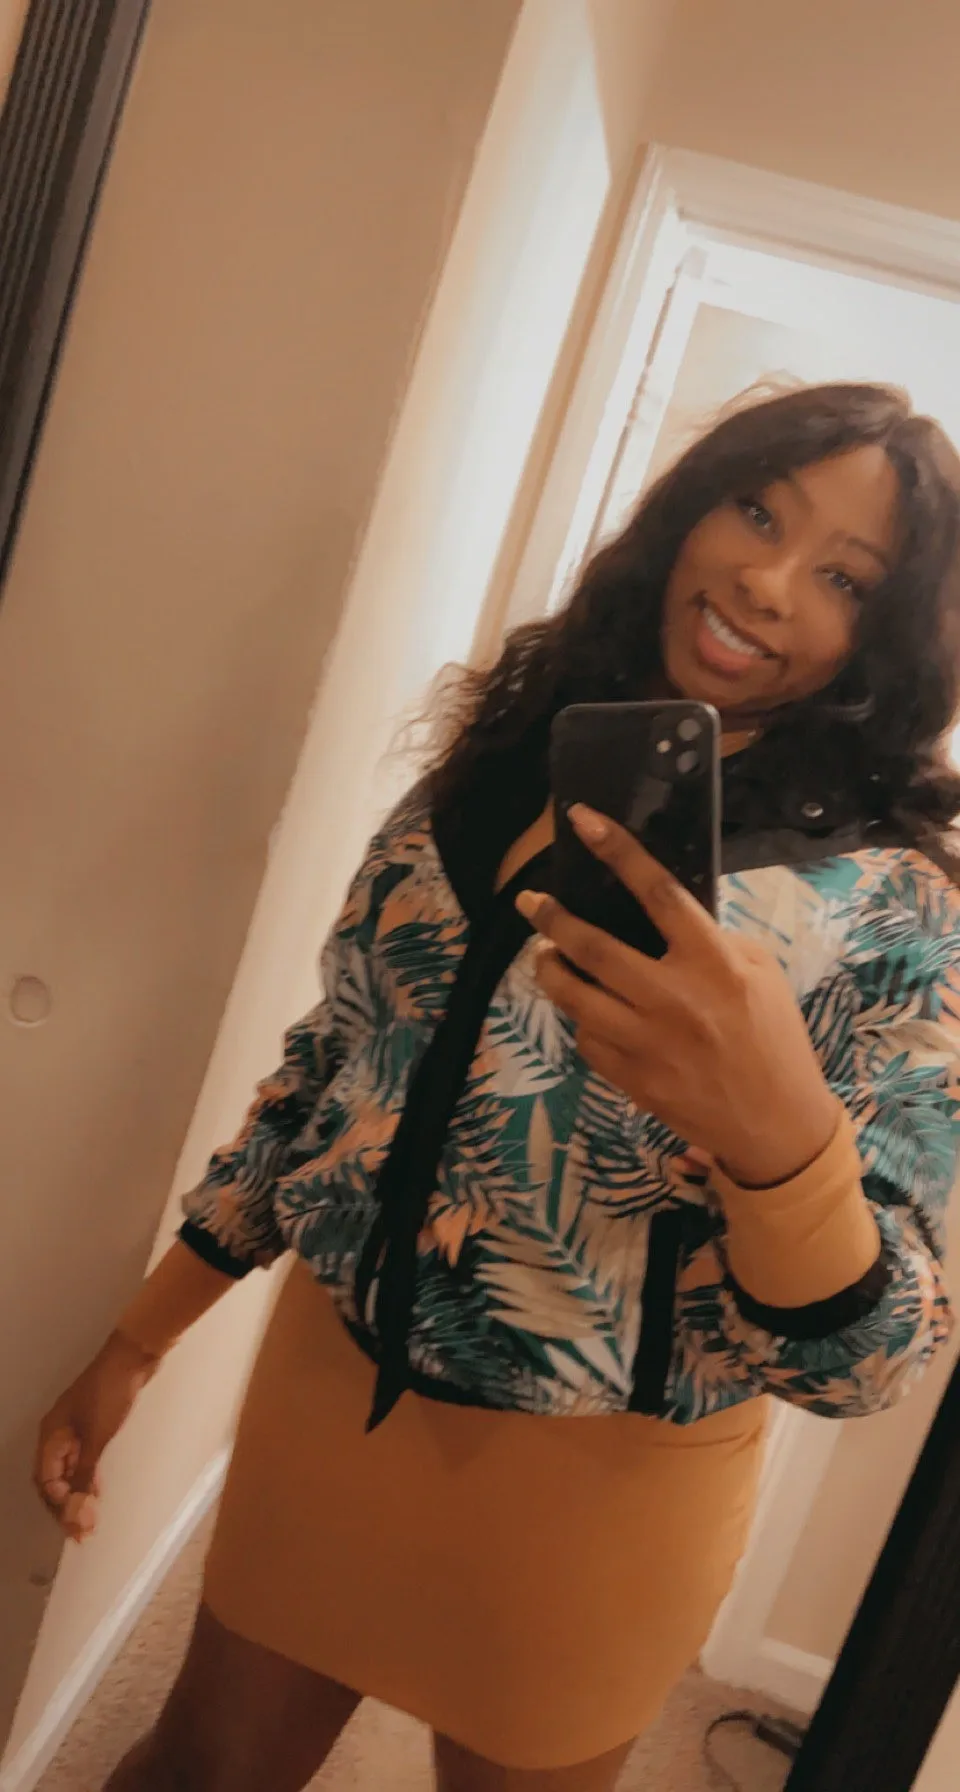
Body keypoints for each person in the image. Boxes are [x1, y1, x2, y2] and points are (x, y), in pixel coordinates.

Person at [36, 383, 960, 1792]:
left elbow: (870, 1359)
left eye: (844, 577)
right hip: (327, 1402)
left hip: (598, 1505)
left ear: (880, 641)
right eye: (757, 511)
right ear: (691, 510)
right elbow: (332, 1074)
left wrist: (779, 1140)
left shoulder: (896, 906)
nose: (767, 583)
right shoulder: (500, 764)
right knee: (193, 1776)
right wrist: (139, 1339)